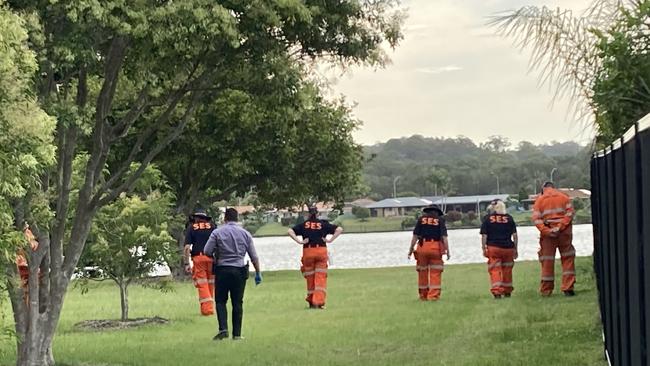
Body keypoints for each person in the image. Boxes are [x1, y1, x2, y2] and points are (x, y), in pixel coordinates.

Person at [204, 208, 261, 340]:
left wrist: (216, 254)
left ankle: (223, 329)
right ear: (237, 218)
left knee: (220, 301)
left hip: (222, 269)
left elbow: (207, 251)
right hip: (239, 270)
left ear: (225, 219)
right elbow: (254, 256)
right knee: (237, 302)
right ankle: (237, 334)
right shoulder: (245, 234)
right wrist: (258, 272)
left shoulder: (217, 233)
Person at [287, 205, 343, 309]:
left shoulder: (304, 225)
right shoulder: (323, 224)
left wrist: (299, 241)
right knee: (320, 277)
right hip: (321, 250)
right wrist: (330, 240)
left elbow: (290, 231)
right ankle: (319, 302)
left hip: (308, 251)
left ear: (308, 214)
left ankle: (311, 301)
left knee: (310, 277)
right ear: (317, 214)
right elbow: (339, 229)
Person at [532, 181, 576, 296]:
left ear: (543, 189)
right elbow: (570, 214)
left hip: (548, 236)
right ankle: (568, 288)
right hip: (564, 234)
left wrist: (548, 231)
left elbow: (537, 220)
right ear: (553, 187)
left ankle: (546, 290)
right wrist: (560, 227)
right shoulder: (564, 197)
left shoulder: (539, 200)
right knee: (567, 259)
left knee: (547, 261)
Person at [407, 205, 450, 301]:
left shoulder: (421, 219)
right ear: (437, 212)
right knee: (435, 272)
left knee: (422, 271)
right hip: (435, 247)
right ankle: (433, 296)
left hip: (422, 247)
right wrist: (447, 251)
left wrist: (410, 249)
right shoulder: (440, 220)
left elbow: (415, 236)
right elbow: (444, 237)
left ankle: (423, 295)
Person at [480, 199, 518, 299]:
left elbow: (484, 235)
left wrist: (483, 248)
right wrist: (515, 248)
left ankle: (497, 291)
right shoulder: (509, 218)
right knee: (507, 270)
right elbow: (515, 235)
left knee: (495, 269)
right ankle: (507, 291)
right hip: (508, 248)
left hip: (494, 247)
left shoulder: (488, 219)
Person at [183, 209, 216, 316]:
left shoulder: (192, 228)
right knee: (211, 284)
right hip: (212, 259)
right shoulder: (212, 227)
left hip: (199, 258)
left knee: (202, 284)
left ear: (197, 218)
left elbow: (187, 247)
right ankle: (209, 308)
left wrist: (186, 263)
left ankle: (208, 310)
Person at [16, 223, 39, 304]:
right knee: (23, 287)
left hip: (28, 265)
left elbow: (34, 244)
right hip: (21, 265)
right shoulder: (16, 235)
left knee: (30, 287)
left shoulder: (28, 233)